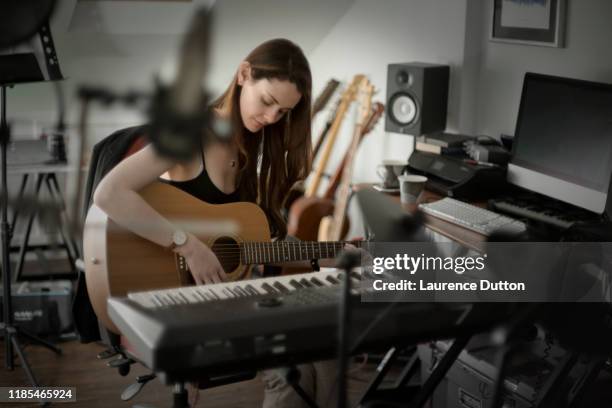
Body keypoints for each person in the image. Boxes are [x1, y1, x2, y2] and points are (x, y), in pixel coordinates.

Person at [93, 38, 338, 407]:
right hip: (168, 297)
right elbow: (109, 193)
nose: (272, 118)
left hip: (213, 297)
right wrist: (187, 245)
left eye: (283, 111)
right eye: (268, 102)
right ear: (243, 74)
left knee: (327, 339)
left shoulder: (253, 142)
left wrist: (327, 256)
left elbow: (256, 243)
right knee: (302, 352)